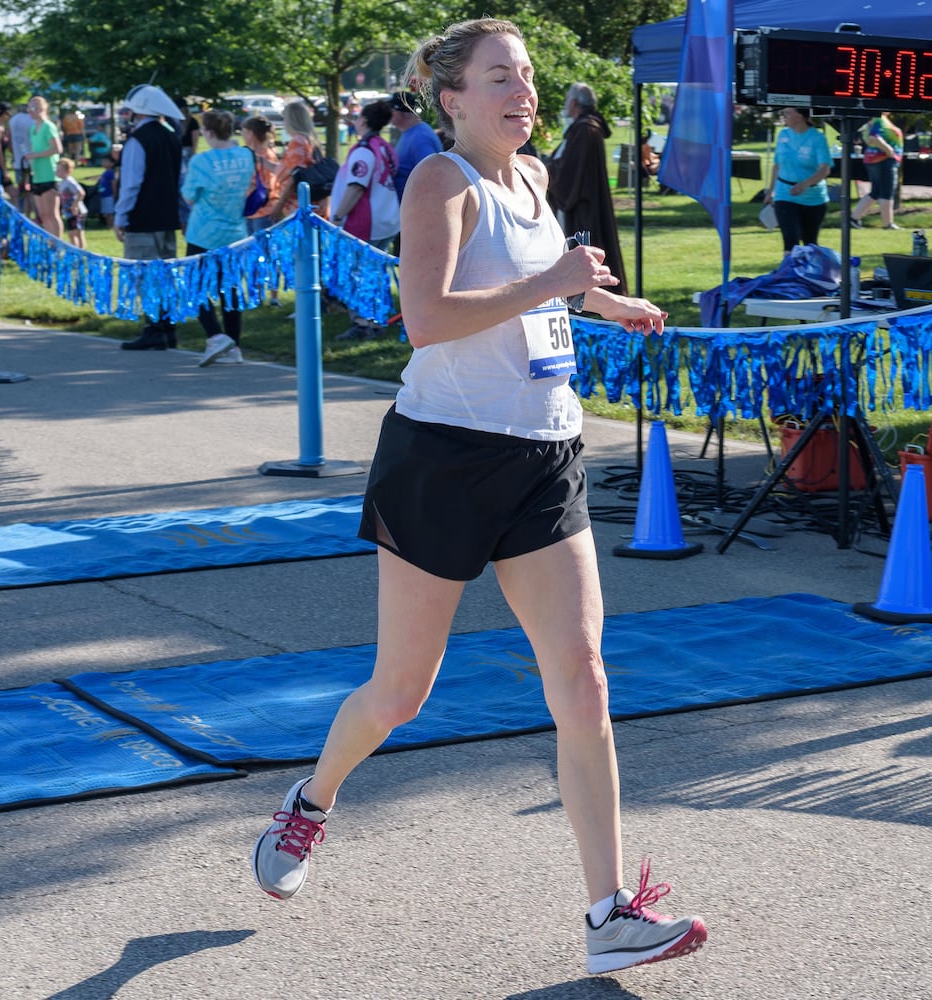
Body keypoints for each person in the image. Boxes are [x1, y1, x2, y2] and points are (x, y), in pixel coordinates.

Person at [250, 17, 708, 977]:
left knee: (581, 679)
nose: (524, 91)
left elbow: (538, 292)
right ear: (451, 98)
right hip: (445, 459)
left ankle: (608, 914)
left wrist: (600, 301)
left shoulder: (533, 177)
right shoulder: (437, 181)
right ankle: (312, 803)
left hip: (545, 455)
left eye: (530, 76)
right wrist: (555, 277)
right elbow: (425, 319)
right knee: (402, 693)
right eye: (502, 77)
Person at [115, 83, 185, 351]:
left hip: (143, 218)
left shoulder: (138, 140)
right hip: (166, 216)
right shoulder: (170, 135)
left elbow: (131, 183)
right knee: (165, 273)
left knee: (146, 274)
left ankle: (154, 328)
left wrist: (121, 217)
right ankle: (168, 328)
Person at [181, 108, 253, 366]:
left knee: (194, 286)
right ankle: (234, 346)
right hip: (235, 232)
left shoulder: (202, 161)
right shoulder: (246, 156)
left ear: (208, 132)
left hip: (203, 232)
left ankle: (215, 335)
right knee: (231, 289)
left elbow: (189, 196)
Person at [331, 100, 401, 341]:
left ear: (363, 121)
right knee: (375, 271)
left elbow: (356, 187)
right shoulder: (384, 146)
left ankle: (363, 323)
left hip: (365, 222)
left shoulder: (364, 150)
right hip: (387, 218)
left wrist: (338, 216)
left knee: (357, 273)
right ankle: (377, 318)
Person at [545, 82, 626, 290]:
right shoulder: (585, 128)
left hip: (582, 205)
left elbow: (569, 172)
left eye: (566, 101)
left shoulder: (584, 129)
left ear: (574, 103)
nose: (565, 105)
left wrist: (546, 168)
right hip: (584, 200)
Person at [765, 106, 830, 252]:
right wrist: (771, 191)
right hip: (784, 193)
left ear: (799, 116)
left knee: (810, 242)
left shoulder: (817, 138)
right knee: (790, 239)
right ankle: (789, 272)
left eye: (787, 113)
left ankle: (808, 273)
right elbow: (777, 165)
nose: (784, 116)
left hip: (813, 197)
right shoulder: (783, 135)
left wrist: (805, 184)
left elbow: (824, 169)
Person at [259, 100, 325, 225]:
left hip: (299, 203)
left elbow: (293, 177)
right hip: (316, 202)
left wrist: (280, 204)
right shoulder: (311, 140)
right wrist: (262, 161)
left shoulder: (298, 142)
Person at [849, 111, 903, 230]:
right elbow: (873, 137)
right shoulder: (878, 119)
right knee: (886, 191)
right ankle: (888, 224)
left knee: (876, 192)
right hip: (883, 160)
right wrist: (889, 150)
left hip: (874, 160)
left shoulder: (872, 121)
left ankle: (853, 219)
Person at [389, 90, 441, 207]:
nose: (389, 113)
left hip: (418, 211)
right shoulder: (412, 133)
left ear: (399, 112)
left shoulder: (421, 138)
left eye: (391, 110)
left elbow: (432, 176)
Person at [24, 96, 64, 238]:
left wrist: (36, 155)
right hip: (37, 175)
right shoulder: (33, 128)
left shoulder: (48, 126)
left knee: (52, 214)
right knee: (43, 215)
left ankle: (57, 244)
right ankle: (50, 243)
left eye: (33, 108)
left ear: (42, 109)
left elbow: (57, 149)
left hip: (49, 175)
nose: (30, 112)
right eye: (29, 108)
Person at [240, 116, 279, 236]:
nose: (241, 134)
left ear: (251, 134)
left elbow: (265, 184)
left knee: (261, 248)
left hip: (262, 210)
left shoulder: (264, 156)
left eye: (244, 131)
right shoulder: (255, 153)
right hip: (253, 210)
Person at [8, 101, 35, 214]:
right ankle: (31, 214)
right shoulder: (32, 120)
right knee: (32, 191)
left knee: (22, 190)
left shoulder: (12, 120)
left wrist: (14, 153)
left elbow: (9, 140)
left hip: (19, 160)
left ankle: (24, 214)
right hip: (33, 160)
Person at [57, 157, 87, 249]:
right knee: (72, 233)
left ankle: (79, 251)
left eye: (60, 170)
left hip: (76, 211)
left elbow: (81, 193)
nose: (57, 172)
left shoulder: (70, 181)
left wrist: (75, 205)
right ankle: (77, 251)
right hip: (68, 211)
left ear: (68, 170)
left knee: (76, 233)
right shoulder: (62, 182)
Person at [96, 148, 119, 228]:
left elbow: (114, 183)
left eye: (105, 161)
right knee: (106, 212)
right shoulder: (106, 172)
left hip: (109, 195)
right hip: (104, 195)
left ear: (112, 163)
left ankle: (111, 225)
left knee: (109, 212)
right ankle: (108, 224)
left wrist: (114, 194)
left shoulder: (111, 172)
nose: (103, 163)